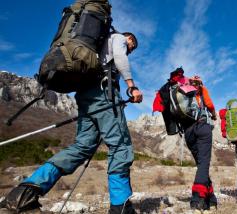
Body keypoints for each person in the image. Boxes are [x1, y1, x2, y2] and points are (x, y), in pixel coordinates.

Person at [1, 31, 143, 214]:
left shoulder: (98, 45)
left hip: (85, 96)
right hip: (103, 95)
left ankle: (23, 194)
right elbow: (120, 57)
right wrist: (132, 87)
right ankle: (121, 207)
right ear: (129, 38)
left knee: (82, 146)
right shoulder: (118, 39)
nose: (131, 50)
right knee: (121, 146)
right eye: (132, 46)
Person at [153, 68, 218, 212]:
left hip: (188, 132)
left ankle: (211, 199)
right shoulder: (200, 89)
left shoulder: (179, 91)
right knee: (204, 164)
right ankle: (197, 199)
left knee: (201, 164)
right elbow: (209, 104)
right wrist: (214, 115)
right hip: (202, 127)